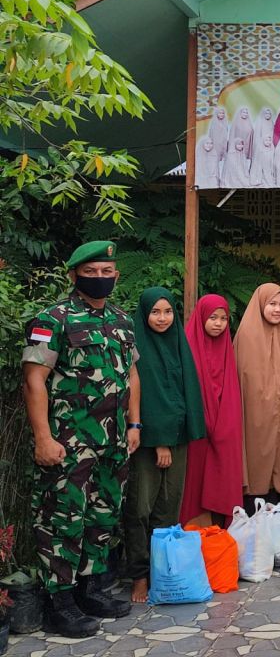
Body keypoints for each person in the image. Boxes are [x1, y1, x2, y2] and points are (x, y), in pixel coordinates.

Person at [21, 241, 138, 637]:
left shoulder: (122, 321)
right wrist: (43, 437)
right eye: (92, 272)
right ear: (73, 275)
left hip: (113, 441)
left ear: (116, 276)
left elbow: (131, 376)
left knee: (104, 515)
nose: (101, 278)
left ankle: (91, 590)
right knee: (62, 520)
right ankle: (61, 603)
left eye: (108, 271)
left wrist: (134, 426)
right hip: (69, 442)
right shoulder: (52, 319)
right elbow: (34, 379)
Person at [125, 287, 207, 603]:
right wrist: (160, 441)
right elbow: (147, 394)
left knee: (168, 509)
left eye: (168, 312)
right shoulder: (138, 345)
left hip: (178, 438)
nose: (162, 318)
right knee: (140, 508)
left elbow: (185, 389)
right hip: (147, 439)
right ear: (144, 314)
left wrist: (175, 437)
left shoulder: (178, 342)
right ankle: (139, 576)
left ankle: (164, 573)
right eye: (155, 312)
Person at [235, 283, 280, 504]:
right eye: (272, 304)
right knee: (258, 464)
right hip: (255, 417)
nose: (277, 309)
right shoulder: (246, 336)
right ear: (261, 304)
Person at [179, 294, 245, 528]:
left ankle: (219, 535)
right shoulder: (187, 346)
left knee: (222, 476)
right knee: (194, 484)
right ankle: (193, 535)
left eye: (224, 318)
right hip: (196, 430)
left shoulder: (228, 348)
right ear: (201, 318)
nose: (218, 323)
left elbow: (231, 391)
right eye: (213, 317)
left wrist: (222, 424)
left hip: (223, 427)